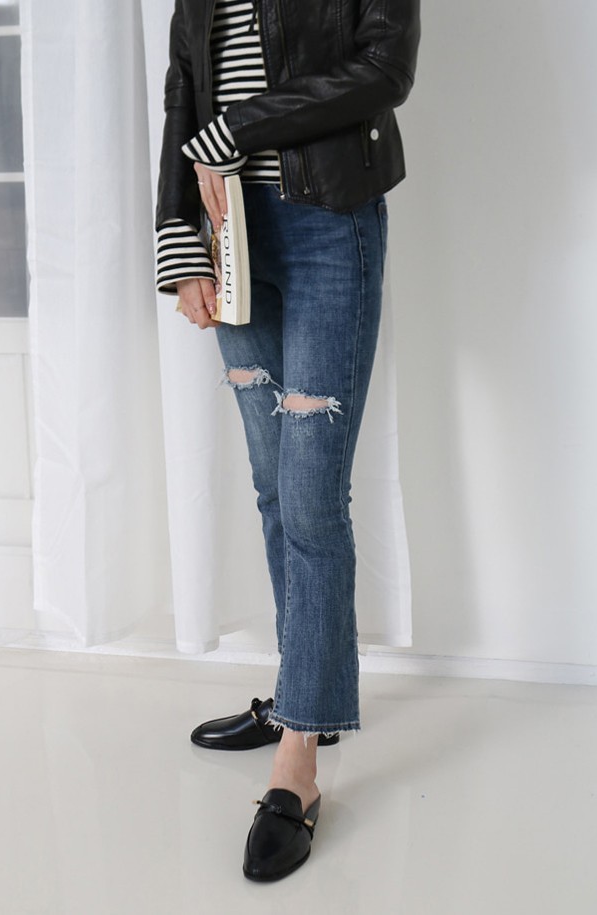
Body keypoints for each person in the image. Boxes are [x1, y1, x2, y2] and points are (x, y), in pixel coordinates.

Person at [155, 0, 420, 882]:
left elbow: (385, 68)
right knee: (273, 485)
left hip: (327, 224)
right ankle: (304, 695)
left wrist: (240, 128)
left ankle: (298, 756)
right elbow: (184, 91)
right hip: (228, 227)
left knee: (311, 496)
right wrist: (177, 241)